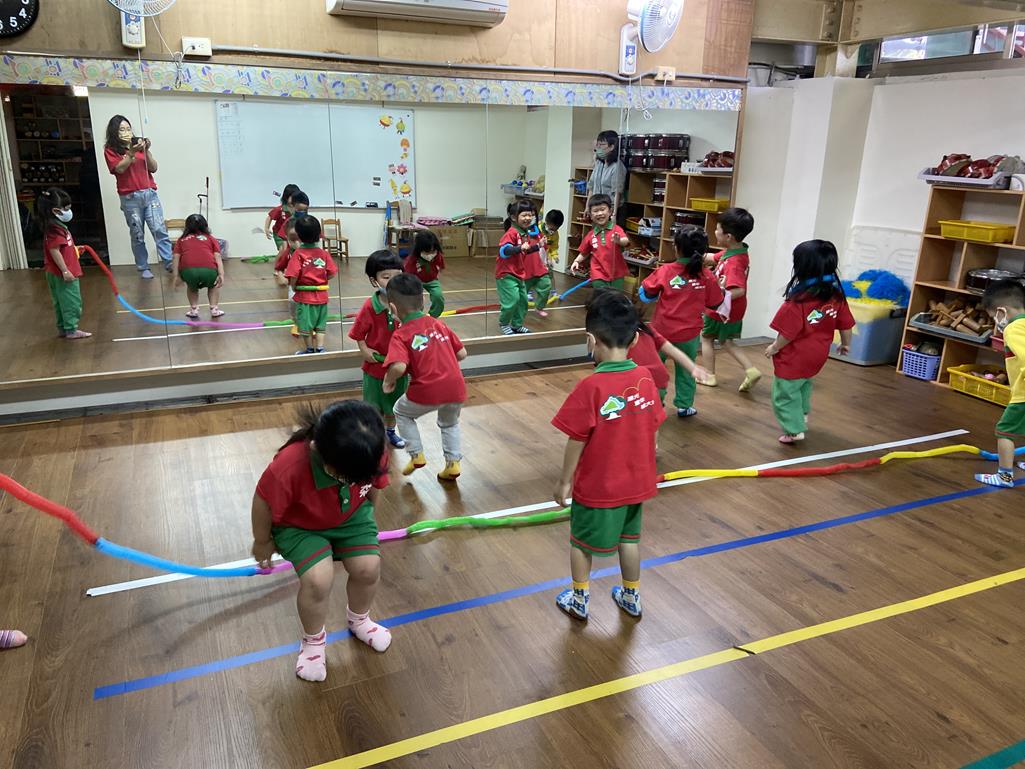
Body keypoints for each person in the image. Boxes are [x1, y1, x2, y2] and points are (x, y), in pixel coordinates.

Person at [251, 401, 393, 683]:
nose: (350, 480)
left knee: (368, 568)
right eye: (343, 475)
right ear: (317, 448)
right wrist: (262, 541)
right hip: (299, 526)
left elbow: (372, 489)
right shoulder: (290, 465)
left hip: (351, 516)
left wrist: (366, 522)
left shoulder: (371, 450)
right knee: (318, 580)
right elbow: (263, 501)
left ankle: (360, 620)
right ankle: (313, 641)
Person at [552, 289, 664, 620]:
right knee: (629, 540)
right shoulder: (645, 378)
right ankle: (631, 596)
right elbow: (654, 426)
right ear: (635, 340)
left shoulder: (591, 387)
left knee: (580, 543)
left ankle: (579, 600)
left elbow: (576, 439)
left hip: (599, 487)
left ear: (590, 340)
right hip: (636, 483)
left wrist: (564, 482)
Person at [765, 240, 855, 444]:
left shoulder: (797, 302)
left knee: (784, 393)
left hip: (795, 357)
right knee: (804, 384)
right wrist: (846, 344)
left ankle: (794, 429)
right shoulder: (836, 296)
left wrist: (774, 347)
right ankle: (802, 415)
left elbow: (788, 334)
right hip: (819, 355)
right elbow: (846, 325)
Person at [383, 273, 468, 482]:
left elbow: (399, 366)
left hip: (426, 390)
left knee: (401, 412)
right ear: (423, 302)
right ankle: (453, 463)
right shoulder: (439, 324)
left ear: (393, 308)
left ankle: (416, 454)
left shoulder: (401, 334)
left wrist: (388, 380)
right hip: (456, 388)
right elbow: (462, 354)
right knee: (449, 424)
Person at [639, 225, 724, 417]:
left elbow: (647, 292)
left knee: (656, 368)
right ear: (704, 251)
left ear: (676, 248)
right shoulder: (707, 276)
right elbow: (715, 303)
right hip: (689, 334)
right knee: (686, 369)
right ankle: (684, 406)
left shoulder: (665, 270)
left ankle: (656, 402)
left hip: (661, 332)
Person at [350, 250, 409, 450]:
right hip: (375, 367)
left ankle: (390, 432)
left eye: (397, 275)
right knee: (373, 406)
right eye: (386, 277)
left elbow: (415, 329)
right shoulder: (370, 307)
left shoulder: (407, 303)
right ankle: (373, 434)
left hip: (399, 368)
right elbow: (358, 333)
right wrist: (364, 349)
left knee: (394, 405)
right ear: (374, 280)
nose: (392, 281)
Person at [102, 115, 172, 280]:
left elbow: (153, 168)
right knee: (137, 234)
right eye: (122, 129)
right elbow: (119, 169)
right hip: (130, 197)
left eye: (128, 128)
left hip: (150, 194)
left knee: (159, 229)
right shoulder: (111, 150)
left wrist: (145, 150)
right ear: (114, 132)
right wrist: (131, 154)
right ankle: (143, 267)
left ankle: (169, 262)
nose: (126, 132)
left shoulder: (138, 145)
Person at [701, 207, 761, 392]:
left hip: (722, 310)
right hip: (732, 310)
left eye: (717, 229)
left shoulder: (734, 263)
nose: (714, 232)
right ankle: (751, 370)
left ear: (728, 236)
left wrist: (717, 295)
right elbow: (711, 258)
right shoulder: (736, 252)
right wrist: (690, 253)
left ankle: (709, 375)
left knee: (706, 338)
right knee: (726, 341)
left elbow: (739, 290)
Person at [974, 279, 1025, 488]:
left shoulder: (1014, 328)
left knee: (1004, 431)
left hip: (1023, 395)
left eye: (994, 316)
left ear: (1002, 311)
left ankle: (1004, 477)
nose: (996, 321)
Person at [38, 187, 91, 340]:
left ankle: (64, 328)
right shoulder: (55, 230)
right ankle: (71, 330)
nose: (69, 212)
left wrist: (74, 250)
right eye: (66, 208)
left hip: (55, 273)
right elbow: (54, 250)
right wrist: (65, 270)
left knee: (60, 301)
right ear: (56, 211)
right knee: (71, 301)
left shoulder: (56, 227)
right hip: (63, 273)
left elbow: (61, 247)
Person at [285, 215, 337, 355]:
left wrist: (294, 286)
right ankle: (320, 348)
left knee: (305, 325)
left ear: (299, 236)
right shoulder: (323, 254)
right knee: (320, 324)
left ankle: (309, 349)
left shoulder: (298, 254)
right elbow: (332, 273)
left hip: (305, 297)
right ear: (319, 234)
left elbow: (293, 275)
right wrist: (321, 279)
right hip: (322, 296)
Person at [496, 200, 544, 335]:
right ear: (513, 217)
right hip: (506, 274)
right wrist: (519, 248)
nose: (528, 218)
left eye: (530, 215)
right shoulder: (511, 233)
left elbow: (525, 251)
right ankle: (504, 323)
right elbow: (504, 251)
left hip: (519, 273)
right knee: (512, 300)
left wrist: (537, 246)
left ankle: (517, 325)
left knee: (523, 301)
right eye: (524, 215)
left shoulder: (525, 233)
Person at [570, 194, 629, 291]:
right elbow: (584, 252)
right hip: (598, 272)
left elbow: (625, 241)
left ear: (610, 211)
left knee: (616, 296)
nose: (599, 213)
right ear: (591, 215)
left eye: (602, 209)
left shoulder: (616, 229)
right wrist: (576, 261)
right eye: (595, 211)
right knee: (602, 295)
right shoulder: (590, 235)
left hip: (617, 272)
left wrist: (619, 241)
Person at [172, 214, 225, 319]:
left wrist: (176, 276)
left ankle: (194, 310)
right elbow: (218, 256)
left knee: (192, 288)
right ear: (205, 225)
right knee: (213, 286)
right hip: (209, 270)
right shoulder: (210, 238)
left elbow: (175, 257)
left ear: (186, 226)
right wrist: (221, 274)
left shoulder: (181, 240)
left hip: (188, 271)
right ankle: (214, 309)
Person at [525, 209, 563, 319]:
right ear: (546, 222)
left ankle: (541, 305)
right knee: (528, 280)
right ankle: (527, 294)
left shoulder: (555, 234)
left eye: (555, 229)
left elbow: (554, 247)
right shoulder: (536, 229)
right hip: (532, 259)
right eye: (551, 228)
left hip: (544, 260)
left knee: (547, 281)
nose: (552, 231)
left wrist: (554, 256)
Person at [405, 230, 447, 318]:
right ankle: (417, 316)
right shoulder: (412, 259)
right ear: (419, 249)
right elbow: (407, 275)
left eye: (433, 251)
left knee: (438, 296)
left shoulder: (437, 255)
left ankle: (433, 316)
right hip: (416, 281)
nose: (430, 254)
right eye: (427, 252)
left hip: (432, 280)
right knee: (417, 300)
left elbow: (441, 266)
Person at [274, 218, 302, 337]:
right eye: (292, 240)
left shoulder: (312, 252)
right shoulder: (288, 253)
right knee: (292, 302)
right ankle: (297, 322)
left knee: (310, 305)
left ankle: (311, 324)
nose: (297, 243)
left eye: (299, 239)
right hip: (294, 286)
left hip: (309, 286)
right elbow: (279, 267)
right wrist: (281, 276)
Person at [585, 130, 628, 209]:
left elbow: (617, 193)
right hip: (596, 206)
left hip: (611, 208)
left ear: (611, 147)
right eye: (598, 144)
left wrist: (613, 212)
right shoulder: (599, 164)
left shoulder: (617, 166)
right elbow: (591, 187)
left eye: (602, 144)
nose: (599, 147)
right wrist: (587, 207)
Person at [265, 184, 301, 249]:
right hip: (279, 235)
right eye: (292, 197)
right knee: (284, 249)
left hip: (292, 234)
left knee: (295, 249)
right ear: (286, 197)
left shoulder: (298, 209)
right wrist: (266, 229)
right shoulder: (280, 209)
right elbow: (270, 217)